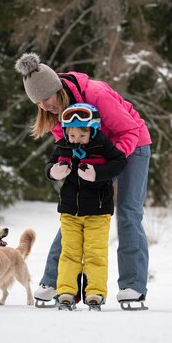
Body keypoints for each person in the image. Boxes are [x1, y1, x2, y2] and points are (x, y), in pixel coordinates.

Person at [15, 52, 152, 310]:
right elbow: (63, 149)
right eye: (38, 103)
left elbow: (129, 130)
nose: (44, 106)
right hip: (95, 155)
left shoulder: (96, 94)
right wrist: (57, 168)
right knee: (75, 207)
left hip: (132, 147)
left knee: (128, 212)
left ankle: (133, 285)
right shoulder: (55, 114)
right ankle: (54, 282)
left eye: (46, 99)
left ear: (57, 89)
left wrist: (111, 166)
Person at [47, 103, 126, 310]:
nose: (76, 141)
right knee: (69, 253)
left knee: (95, 254)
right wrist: (53, 171)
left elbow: (120, 161)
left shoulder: (102, 144)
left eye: (82, 136)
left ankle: (95, 293)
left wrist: (97, 173)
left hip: (98, 212)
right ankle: (66, 292)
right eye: (72, 136)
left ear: (93, 130)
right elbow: (50, 163)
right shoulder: (64, 144)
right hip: (70, 211)